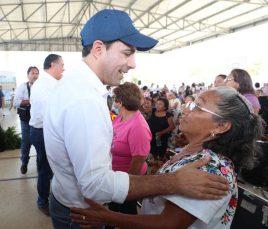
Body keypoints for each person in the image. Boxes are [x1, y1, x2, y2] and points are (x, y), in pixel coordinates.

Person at [43, 9, 229, 228]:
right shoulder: (85, 100)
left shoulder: (74, 85)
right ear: (98, 49)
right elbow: (95, 184)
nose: (133, 63)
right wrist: (172, 182)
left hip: (66, 199)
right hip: (80, 213)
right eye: (126, 52)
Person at [71, 86, 265, 229]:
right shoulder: (190, 151)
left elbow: (169, 224)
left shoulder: (211, 167)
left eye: (198, 107)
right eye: (191, 103)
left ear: (221, 126)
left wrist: (107, 217)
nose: (186, 109)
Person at [107, 82, 151, 224]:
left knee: (127, 213)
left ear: (120, 102)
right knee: (113, 209)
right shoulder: (121, 117)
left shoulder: (138, 126)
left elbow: (139, 158)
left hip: (127, 178)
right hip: (115, 175)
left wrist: (128, 185)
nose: (113, 102)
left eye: (114, 98)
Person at [29, 54, 64, 216]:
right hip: (44, 132)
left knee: (45, 167)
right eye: (61, 65)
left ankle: (46, 198)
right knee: (46, 169)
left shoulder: (42, 83)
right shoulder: (48, 85)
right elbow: (50, 114)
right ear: (52, 65)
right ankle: (43, 201)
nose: (63, 69)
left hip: (39, 131)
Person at [13, 66, 39, 174]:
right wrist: (31, 101)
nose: (35, 75)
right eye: (33, 73)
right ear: (28, 75)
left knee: (40, 143)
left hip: (38, 120)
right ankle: (24, 163)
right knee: (26, 142)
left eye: (37, 73)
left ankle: (40, 164)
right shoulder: (22, 87)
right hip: (26, 120)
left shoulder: (42, 86)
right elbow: (16, 103)